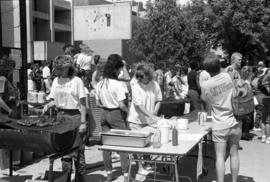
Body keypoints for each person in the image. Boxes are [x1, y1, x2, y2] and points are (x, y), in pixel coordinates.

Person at [42, 55, 87, 182]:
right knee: (64, 152)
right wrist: (48, 105)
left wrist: (83, 122)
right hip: (61, 117)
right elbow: (55, 101)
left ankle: (81, 179)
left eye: (60, 68)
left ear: (67, 68)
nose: (57, 71)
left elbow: (83, 103)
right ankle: (66, 178)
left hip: (75, 117)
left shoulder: (77, 81)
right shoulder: (56, 81)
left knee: (78, 151)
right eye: (57, 68)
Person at [201, 52, 241, 182]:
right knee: (234, 154)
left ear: (206, 70)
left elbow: (204, 99)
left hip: (220, 124)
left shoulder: (206, 85)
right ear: (219, 65)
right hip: (234, 122)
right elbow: (231, 73)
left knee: (219, 156)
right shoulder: (227, 76)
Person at [95, 54, 129, 182]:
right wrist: (128, 111)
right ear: (116, 69)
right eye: (120, 69)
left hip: (103, 113)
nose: (121, 71)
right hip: (116, 114)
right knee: (123, 145)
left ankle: (109, 174)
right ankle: (126, 175)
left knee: (107, 146)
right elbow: (121, 104)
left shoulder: (100, 83)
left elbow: (98, 103)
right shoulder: (117, 84)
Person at [127, 62, 162, 175]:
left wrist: (155, 111)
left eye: (143, 77)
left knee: (147, 143)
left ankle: (147, 163)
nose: (141, 79)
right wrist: (151, 116)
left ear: (148, 75)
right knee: (137, 145)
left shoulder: (154, 84)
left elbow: (159, 100)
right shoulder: (135, 85)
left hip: (148, 121)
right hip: (136, 120)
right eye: (139, 77)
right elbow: (139, 105)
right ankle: (140, 167)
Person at [225, 52, 253, 141]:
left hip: (231, 100)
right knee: (236, 122)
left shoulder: (231, 70)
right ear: (233, 60)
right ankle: (233, 143)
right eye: (239, 60)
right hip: (231, 100)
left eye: (241, 59)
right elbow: (233, 86)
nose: (241, 61)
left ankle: (233, 142)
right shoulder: (231, 70)